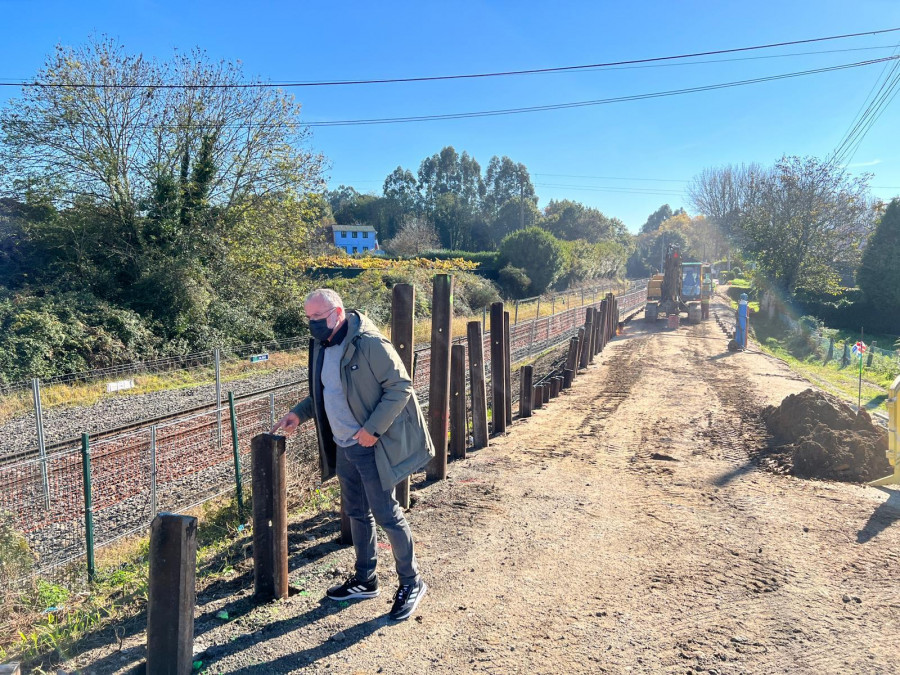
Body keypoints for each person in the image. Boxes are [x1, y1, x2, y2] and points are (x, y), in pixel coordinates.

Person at [272, 288, 434, 621]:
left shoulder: (370, 344)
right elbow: (327, 388)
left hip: (369, 444)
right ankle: (366, 579)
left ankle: (412, 581)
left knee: (386, 513)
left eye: (318, 318)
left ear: (338, 312)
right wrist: (300, 413)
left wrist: (372, 431)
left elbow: (401, 387)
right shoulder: (323, 343)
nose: (313, 325)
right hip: (344, 444)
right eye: (309, 319)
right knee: (357, 513)